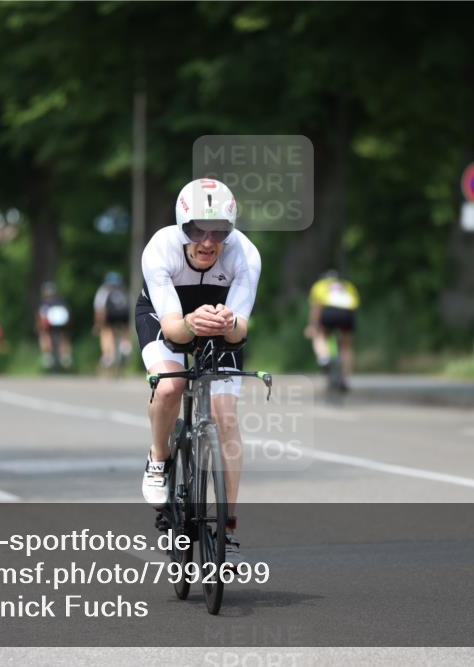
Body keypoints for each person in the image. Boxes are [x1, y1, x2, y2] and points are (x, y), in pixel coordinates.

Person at [137, 178, 260, 564]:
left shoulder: (245, 255)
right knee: (170, 387)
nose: (207, 242)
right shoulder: (161, 248)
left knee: (226, 416)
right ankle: (159, 459)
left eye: (219, 231)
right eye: (196, 231)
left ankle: (228, 528)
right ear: (181, 227)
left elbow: (240, 330)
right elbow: (174, 330)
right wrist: (191, 323)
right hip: (167, 318)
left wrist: (228, 323)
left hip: (219, 323)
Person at [305, 269, 359, 390]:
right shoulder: (347, 286)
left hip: (328, 311)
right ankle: (345, 379)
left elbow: (317, 306)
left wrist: (312, 325)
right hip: (347, 313)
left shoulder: (320, 285)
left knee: (320, 335)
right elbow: (354, 305)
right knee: (347, 347)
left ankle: (324, 358)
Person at [93, 271, 132, 370]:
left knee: (106, 330)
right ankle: (125, 347)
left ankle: (108, 356)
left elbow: (100, 309)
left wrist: (98, 324)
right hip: (124, 314)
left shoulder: (103, 290)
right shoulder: (124, 290)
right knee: (124, 330)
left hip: (111, 315)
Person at [36, 281, 72, 371]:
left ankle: (47, 355)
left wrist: (39, 327)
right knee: (64, 336)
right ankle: (66, 356)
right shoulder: (61, 300)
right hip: (63, 322)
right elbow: (67, 313)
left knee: (44, 334)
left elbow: (42, 317)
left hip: (50, 323)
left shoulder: (45, 303)